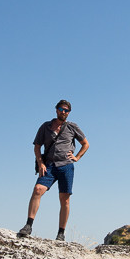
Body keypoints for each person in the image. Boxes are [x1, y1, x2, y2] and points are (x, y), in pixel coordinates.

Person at [18, 99, 89, 241]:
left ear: (69, 113)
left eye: (66, 110)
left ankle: (61, 233)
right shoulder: (46, 126)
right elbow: (37, 146)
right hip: (49, 165)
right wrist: (40, 163)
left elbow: (85, 144)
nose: (64, 112)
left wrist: (77, 157)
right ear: (56, 110)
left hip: (66, 166)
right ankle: (28, 225)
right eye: (61, 109)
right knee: (38, 189)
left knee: (65, 200)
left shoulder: (72, 127)